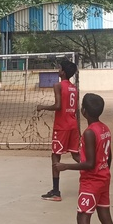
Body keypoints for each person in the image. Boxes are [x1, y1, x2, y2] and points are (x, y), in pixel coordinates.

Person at [54, 93, 113, 224]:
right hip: (103, 178)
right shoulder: (104, 128)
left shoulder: (89, 132)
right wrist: (103, 171)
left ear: (83, 111)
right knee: (105, 216)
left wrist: (65, 166)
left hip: (91, 182)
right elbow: (107, 156)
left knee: (83, 217)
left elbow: (90, 164)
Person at [35, 59, 79, 202]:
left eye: (59, 68)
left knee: (55, 155)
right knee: (76, 154)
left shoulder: (58, 85)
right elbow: (75, 109)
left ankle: (56, 191)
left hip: (62, 126)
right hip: (73, 125)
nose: (58, 70)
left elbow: (58, 106)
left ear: (63, 72)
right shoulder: (74, 88)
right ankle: (95, 174)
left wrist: (43, 107)